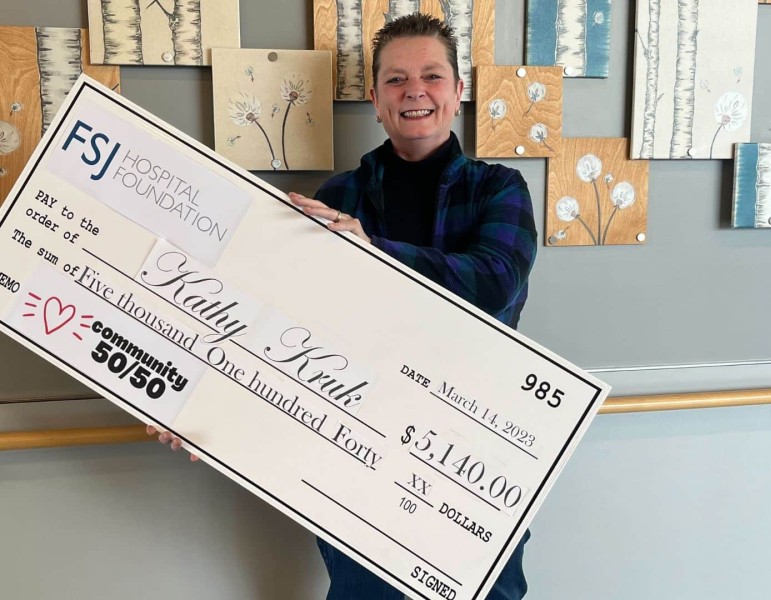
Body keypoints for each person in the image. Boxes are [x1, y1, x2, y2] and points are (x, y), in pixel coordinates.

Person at [150, 12, 537, 599]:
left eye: (432, 76)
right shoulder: (337, 198)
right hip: (355, 460)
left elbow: (495, 285)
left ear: (458, 93)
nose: (415, 91)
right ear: (376, 100)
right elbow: (281, 328)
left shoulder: (499, 188)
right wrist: (206, 411)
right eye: (395, 80)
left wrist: (368, 251)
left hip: (473, 461)